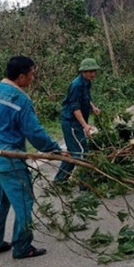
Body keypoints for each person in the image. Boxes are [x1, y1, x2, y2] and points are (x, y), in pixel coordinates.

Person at [0, 56, 62, 260]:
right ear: (21, 76)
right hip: (8, 159)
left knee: (1, 200)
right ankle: (23, 247)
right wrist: (54, 150)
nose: (33, 78)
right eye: (32, 74)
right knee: (24, 201)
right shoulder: (20, 100)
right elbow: (33, 131)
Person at [54, 58, 101, 187]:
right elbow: (75, 107)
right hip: (71, 123)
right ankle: (83, 183)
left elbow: (86, 98)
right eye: (90, 71)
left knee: (74, 152)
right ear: (83, 71)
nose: (93, 74)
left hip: (77, 123)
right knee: (81, 152)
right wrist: (85, 125)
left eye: (94, 71)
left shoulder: (87, 83)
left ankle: (59, 181)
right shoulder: (76, 85)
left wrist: (93, 107)